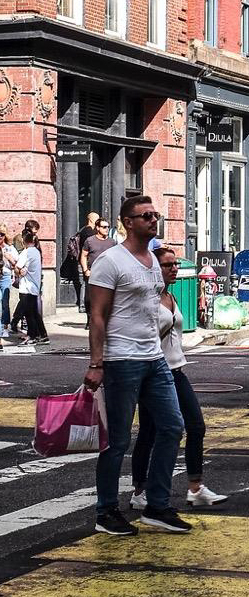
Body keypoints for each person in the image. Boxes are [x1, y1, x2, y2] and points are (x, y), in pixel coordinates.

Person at [84, 195, 190, 536]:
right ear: (127, 222)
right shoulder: (110, 261)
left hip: (154, 359)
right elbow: (96, 315)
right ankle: (106, 511)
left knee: (172, 426)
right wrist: (96, 363)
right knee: (117, 441)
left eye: (155, 215)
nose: (152, 220)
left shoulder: (152, 261)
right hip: (121, 359)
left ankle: (156, 506)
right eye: (146, 216)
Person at [130, 247, 227, 510]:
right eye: (167, 265)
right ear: (154, 269)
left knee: (196, 426)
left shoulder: (171, 296)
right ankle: (140, 490)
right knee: (149, 433)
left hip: (176, 371)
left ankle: (195, 488)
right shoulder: (147, 299)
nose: (173, 268)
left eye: (174, 264)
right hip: (153, 375)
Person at [14, 230, 49, 346]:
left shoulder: (26, 253)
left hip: (26, 287)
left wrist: (19, 271)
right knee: (35, 313)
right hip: (34, 286)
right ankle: (43, 335)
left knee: (29, 314)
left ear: (24, 241)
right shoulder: (37, 252)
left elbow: (17, 267)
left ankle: (32, 336)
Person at [80, 218, 116, 328]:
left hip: (107, 274)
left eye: (107, 227)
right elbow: (83, 255)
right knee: (89, 298)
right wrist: (85, 270)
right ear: (98, 228)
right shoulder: (90, 241)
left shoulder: (112, 242)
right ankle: (90, 319)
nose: (106, 229)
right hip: (92, 273)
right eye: (104, 227)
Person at [0, 224, 18, 338]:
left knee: (4, 301)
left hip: (5, 275)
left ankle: (4, 326)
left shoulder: (10, 248)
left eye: (1, 234)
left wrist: (8, 258)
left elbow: (16, 264)